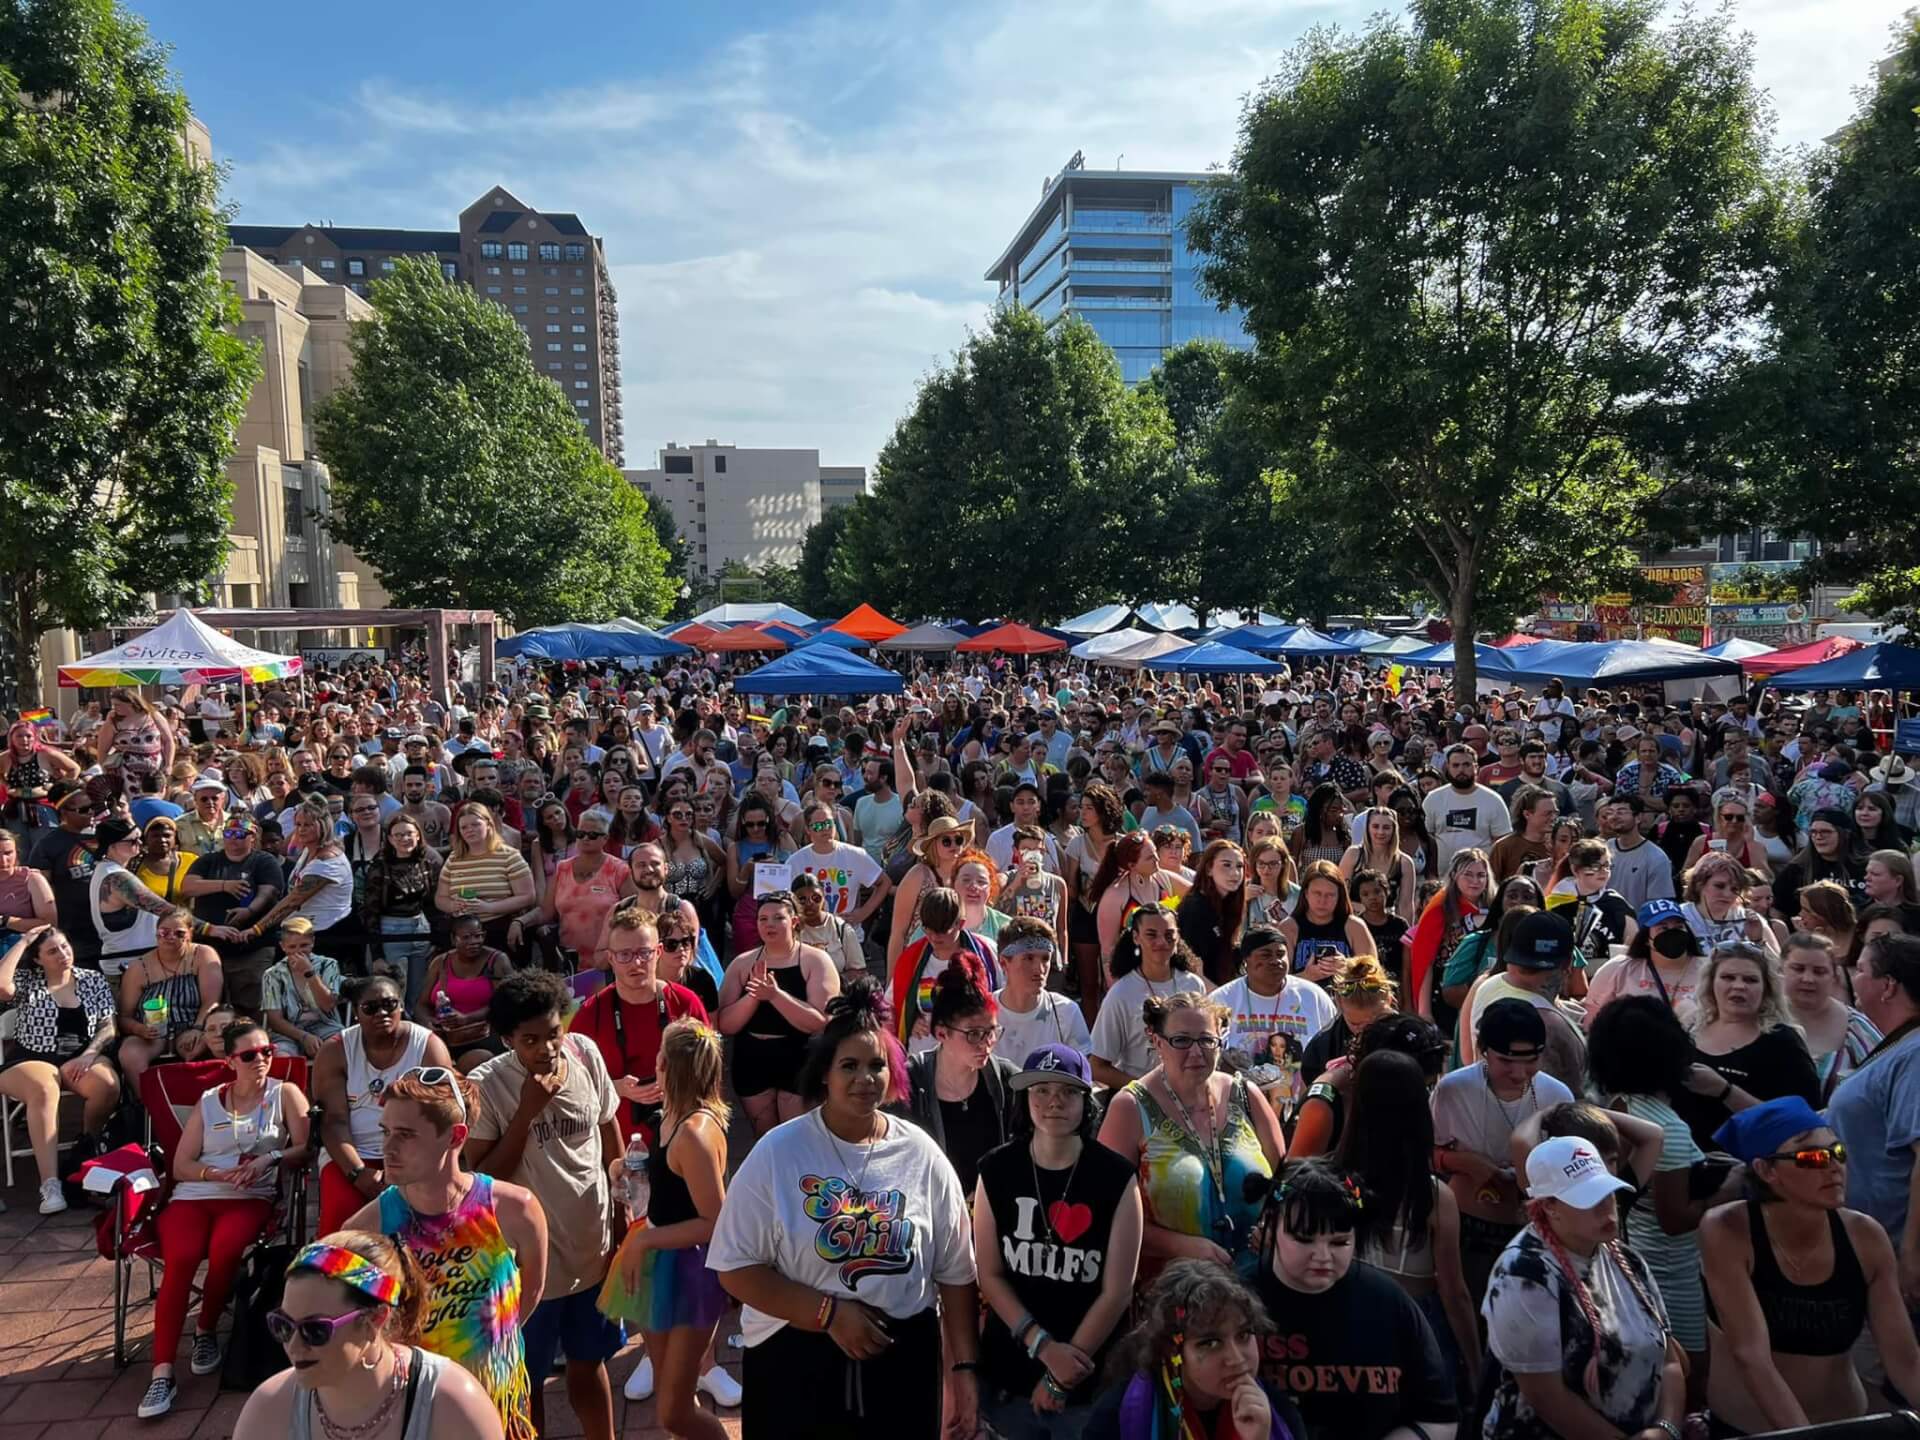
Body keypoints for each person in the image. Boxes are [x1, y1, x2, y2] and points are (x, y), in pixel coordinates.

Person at [707, 977, 980, 1440]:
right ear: (823, 1074)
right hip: (796, 1367)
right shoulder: (778, 1153)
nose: (864, 1079)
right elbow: (734, 1268)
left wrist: (965, 1370)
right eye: (848, 1065)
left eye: (876, 1065)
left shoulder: (921, 1154)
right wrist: (827, 1314)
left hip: (902, 1370)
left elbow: (955, 1274)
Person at [342, 1066, 542, 1440]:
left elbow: (529, 1293)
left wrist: (489, 1341)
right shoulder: (366, 1230)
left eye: (405, 1135)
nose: (387, 1147)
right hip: (414, 1406)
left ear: (455, 1136)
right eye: (385, 1131)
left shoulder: (514, 1208)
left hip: (497, 1402)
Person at [1699, 1096, 1920, 1434]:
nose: (1833, 1166)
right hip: (1752, 1430)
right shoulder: (1727, 1230)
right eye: (1813, 1157)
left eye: (1838, 1152)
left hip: (1843, 1422)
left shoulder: (1865, 1237)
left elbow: (1905, 1361)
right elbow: (1752, 1357)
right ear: (1766, 1170)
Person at [465, 970, 622, 1440]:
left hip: (592, 1249)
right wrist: (527, 1110)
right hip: (527, 1268)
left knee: (589, 1366)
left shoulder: (586, 1054)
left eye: (554, 1033)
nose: (547, 1048)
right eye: (531, 1039)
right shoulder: (487, 1085)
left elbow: (609, 1134)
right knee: (524, 1384)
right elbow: (482, 1176)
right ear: (507, 1038)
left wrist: (623, 1209)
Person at [139, 1015, 314, 1418]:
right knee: (181, 1259)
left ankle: (205, 1328)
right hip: (194, 1195)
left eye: (267, 1052)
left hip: (250, 1195)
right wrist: (213, 1173)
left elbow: (305, 1148)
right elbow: (181, 1164)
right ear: (230, 1060)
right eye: (250, 1055)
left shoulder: (284, 1093)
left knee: (227, 1249)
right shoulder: (209, 1100)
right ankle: (161, 1373)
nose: (261, 1061)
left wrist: (269, 1158)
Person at [972, 1043, 1142, 1439]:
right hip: (1009, 1375)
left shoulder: (1116, 1177)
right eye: (1041, 1090)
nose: (1054, 1102)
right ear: (1025, 1098)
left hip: (1089, 1384)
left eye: (1067, 1091)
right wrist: (1044, 1348)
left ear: (1086, 1099)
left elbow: (1118, 1291)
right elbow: (990, 1274)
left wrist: (1063, 1373)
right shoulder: (995, 1169)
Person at [1588, 995, 1746, 1405]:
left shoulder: (1615, 1108)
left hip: (1625, 1262)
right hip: (1671, 1278)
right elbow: (1675, 1218)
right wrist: (1732, 1183)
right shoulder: (1667, 1130)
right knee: (1689, 1385)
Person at [1481, 1135, 1685, 1440]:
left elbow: (1670, 1361)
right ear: (1549, 1207)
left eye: (1608, 1192)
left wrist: (1666, 1429)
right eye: (1589, 1199)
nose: (1607, 1208)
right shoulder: (1523, 1275)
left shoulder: (1626, 1259)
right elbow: (1547, 1398)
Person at [1250, 1158, 1460, 1440]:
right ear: (1271, 1225)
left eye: (1339, 1242)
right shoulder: (1236, 1300)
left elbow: (1440, 1417)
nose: (1322, 1256)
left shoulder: (1390, 1303)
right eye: (1304, 1239)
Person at [231, 1230, 506, 1440]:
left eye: (315, 1330)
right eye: (283, 1325)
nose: (293, 1345)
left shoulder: (453, 1407)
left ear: (375, 1319)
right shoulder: (268, 1411)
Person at [598, 1019, 734, 1440]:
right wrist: (622, 1168)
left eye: (659, 1054)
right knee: (672, 1398)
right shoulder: (667, 1116)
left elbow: (715, 1223)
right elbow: (670, 1188)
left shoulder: (694, 1132)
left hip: (689, 1270)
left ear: (668, 1066)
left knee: (675, 1412)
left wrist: (646, 1240)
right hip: (658, 1257)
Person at [1097, 992, 1283, 1282]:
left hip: (1258, 1283)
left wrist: (1275, 1223)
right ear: (1158, 1042)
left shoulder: (1245, 1094)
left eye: (1206, 1040)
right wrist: (1180, 1245)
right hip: (1172, 1292)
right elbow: (1105, 1211)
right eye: (1181, 1040)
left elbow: (1285, 1182)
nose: (1196, 1052)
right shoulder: (1130, 1107)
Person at [1431, 999, 1577, 1311]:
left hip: (1535, 1229)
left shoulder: (1557, 1095)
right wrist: (1466, 1163)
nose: (1519, 1072)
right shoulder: (1454, 1090)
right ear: (1483, 1049)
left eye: (1531, 1061)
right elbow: (1428, 1153)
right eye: (1506, 1061)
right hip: (1469, 1227)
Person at [1081, 1259, 1301, 1440]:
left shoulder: (1277, 1411)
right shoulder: (1116, 1416)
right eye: (1210, 1343)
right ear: (1170, 1348)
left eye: (1244, 1335)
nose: (1236, 1358)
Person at [314, 974, 455, 1234]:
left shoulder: (428, 1046)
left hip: (415, 1153)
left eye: (390, 1004)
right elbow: (333, 1121)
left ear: (402, 1006)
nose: (382, 1013)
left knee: (418, 1225)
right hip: (350, 1154)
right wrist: (358, 1173)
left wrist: (410, 1165)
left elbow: (442, 1115)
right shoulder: (334, 1051)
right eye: (370, 1008)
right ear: (356, 1013)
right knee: (341, 1220)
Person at [1827, 931, 1920, 1308]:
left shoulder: (1914, 1054)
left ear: (1888, 986)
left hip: (1892, 1259)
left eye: (1861, 969)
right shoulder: (1898, 1044)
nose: (1853, 975)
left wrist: (1911, 1258)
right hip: (1866, 1250)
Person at [0, 925, 118, 1212]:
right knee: (44, 1087)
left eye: (65, 946)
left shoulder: (91, 979)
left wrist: (90, 1053)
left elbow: (109, 1025)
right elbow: (2, 988)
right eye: (52, 951)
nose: (63, 954)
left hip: (80, 1056)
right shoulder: (28, 979)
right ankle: (50, 1185)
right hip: (32, 1057)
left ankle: (86, 1152)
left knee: (108, 1086)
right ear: (38, 959)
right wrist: (25, 939)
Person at [1673, 942, 1822, 1152]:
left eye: (1750, 980)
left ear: (1766, 989)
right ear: (1711, 983)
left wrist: (1725, 1091)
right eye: (1728, 978)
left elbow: (1802, 1124)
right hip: (1684, 1164)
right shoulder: (1690, 1030)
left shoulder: (1782, 1042)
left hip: (1751, 1169)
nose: (1739, 986)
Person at [717, 890, 840, 1133]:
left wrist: (775, 995)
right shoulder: (742, 964)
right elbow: (725, 1024)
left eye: (778, 918)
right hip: (752, 1057)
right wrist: (753, 996)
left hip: (798, 1055)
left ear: (794, 922)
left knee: (796, 1137)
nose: (769, 924)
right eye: (763, 919)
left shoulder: (816, 961)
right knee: (765, 1138)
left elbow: (819, 1022)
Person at [896, 953, 1019, 1195]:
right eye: (974, 1034)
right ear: (942, 1034)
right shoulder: (910, 1082)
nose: (986, 1044)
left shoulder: (1007, 1080)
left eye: (992, 1032)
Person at [1208, 924, 1336, 1116]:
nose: (1276, 961)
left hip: (1301, 1108)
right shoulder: (1222, 1000)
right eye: (1266, 955)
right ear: (1246, 961)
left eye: (1281, 954)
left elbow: (1333, 1047)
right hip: (1236, 1108)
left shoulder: (1312, 996)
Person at [1087, 905, 1207, 1089]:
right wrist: (1145, 1090)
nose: (1161, 942)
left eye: (1169, 934)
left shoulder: (1193, 985)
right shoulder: (1121, 994)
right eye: (1151, 935)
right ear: (1136, 937)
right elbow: (1097, 1066)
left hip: (1189, 1091)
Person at [181, 811, 283, 1017]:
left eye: (239, 834)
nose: (233, 840)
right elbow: (187, 887)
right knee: (210, 1004)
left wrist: (249, 911)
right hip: (211, 947)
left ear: (253, 837)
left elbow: (269, 892)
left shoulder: (264, 861)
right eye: (228, 834)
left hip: (252, 946)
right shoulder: (208, 861)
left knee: (250, 1004)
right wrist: (225, 885)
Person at [116, 907, 224, 1092]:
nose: (170, 937)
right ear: (156, 934)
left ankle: (208, 1099)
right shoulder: (139, 967)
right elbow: (124, 1016)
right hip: (152, 1033)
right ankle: (147, 1105)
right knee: (130, 1053)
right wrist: (139, 1029)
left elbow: (211, 1001)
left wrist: (198, 1028)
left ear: (189, 934)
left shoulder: (203, 955)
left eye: (179, 933)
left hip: (193, 1025)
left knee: (212, 1043)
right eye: (164, 932)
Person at [512, 811, 630, 967]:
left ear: (605, 839)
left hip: (608, 961)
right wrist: (520, 921)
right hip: (569, 961)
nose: (585, 838)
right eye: (580, 834)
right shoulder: (563, 868)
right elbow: (545, 912)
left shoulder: (619, 869)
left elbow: (633, 914)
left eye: (593, 835)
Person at [1780, 932, 1881, 1096]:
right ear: (1781, 969)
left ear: (1834, 976)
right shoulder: (1758, 1019)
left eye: (1819, 972)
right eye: (1798, 969)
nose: (1808, 978)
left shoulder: (1857, 1028)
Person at [1583, 897, 1710, 1028]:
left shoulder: (1710, 969)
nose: (1673, 933)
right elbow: (1592, 1022)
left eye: (1679, 926)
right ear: (1645, 939)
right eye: (1663, 928)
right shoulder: (1618, 969)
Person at [360, 812, 442, 1008]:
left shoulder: (426, 864)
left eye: (409, 834)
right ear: (389, 839)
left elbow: (431, 903)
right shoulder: (379, 867)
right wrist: (377, 954)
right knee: (391, 988)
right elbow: (370, 910)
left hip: (420, 926)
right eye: (398, 835)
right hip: (390, 928)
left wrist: (435, 937)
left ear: (418, 835)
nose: (405, 839)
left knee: (420, 987)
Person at [435, 803, 536, 954]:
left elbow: (528, 896)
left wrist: (488, 907)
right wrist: (453, 906)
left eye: (475, 824)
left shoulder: (509, 855)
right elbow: (440, 898)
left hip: (498, 930)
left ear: (488, 825)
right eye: (464, 827)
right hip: (462, 931)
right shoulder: (454, 858)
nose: (469, 830)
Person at [991, 918, 1093, 1064]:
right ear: (1003, 963)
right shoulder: (983, 1013)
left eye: (1045, 959)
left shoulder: (1066, 1012)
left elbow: (1081, 1072)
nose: (1039, 970)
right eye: (1029, 958)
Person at [262, 916, 346, 1058]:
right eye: (292, 947)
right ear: (282, 946)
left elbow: (328, 1005)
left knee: (341, 1047)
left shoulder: (328, 965)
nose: (298, 952)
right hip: (288, 1031)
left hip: (325, 1026)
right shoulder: (272, 975)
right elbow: (275, 1020)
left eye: (304, 945)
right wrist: (304, 1037)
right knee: (282, 1056)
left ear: (312, 942)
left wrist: (310, 973)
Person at [1423, 743, 1511, 866]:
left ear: (1476, 767)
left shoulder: (1493, 800)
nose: (1461, 770)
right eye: (1456, 765)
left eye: (1466, 765)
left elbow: (1502, 843)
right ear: (1448, 767)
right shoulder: (1433, 799)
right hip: (1442, 877)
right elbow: (1425, 839)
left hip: (1480, 878)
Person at [1176, 840, 1247, 986]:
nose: (1235, 873)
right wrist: (1222, 1000)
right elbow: (1191, 968)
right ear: (1209, 869)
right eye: (1226, 865)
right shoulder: (1195, 908)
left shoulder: (1228, 903)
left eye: (1239, 866)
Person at [1678, 852, 1777, 956]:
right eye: (1719, 886)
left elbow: (1777, 968)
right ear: (1699, 884)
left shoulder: (1751, 919)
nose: (1727, 894)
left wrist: (1758, 941)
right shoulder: (1680, 917)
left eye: (1735, 889)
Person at [791, 870, 865, 976]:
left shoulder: (841, 928)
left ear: (824, 898)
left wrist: (831, 984)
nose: (809, 903)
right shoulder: (789, 929)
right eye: (802, 899)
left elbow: (858, 970)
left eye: (816, 898)